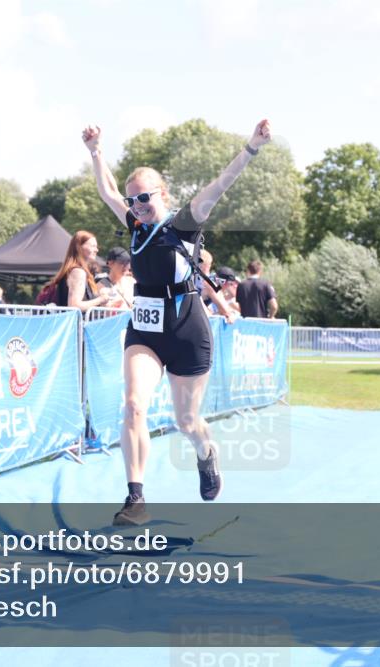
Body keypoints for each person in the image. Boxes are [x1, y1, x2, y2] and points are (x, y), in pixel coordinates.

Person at [83, 118, 272, 525]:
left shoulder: (186, 220)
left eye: (145, 198)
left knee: (187, 420)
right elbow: (108, 191)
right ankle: (135, 498)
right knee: (133, 405)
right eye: (134, 200)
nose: (137, 206)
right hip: (146, 328)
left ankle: (206, 453)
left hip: (187, 327)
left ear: (162, 193)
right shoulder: (134, 223)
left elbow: (221, 184)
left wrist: (252, 146)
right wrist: (97, 151)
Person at [42, 231, 113, 314]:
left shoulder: (76, 271)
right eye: (93, 246)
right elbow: (74, 305)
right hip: (73, 325)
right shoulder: (78, 272)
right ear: (79, 247)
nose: (96, 250)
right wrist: (100, 299)